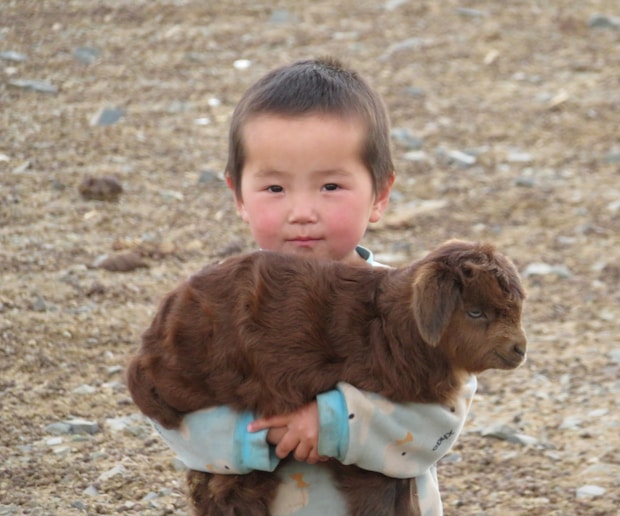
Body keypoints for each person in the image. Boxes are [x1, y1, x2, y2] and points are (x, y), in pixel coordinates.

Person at [151, 57, 477, 515]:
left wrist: (337, 424)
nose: (302, 211)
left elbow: (442, 412)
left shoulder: (409, 307)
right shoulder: (216, 307)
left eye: (329, 186)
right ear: (239, 196)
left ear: (380, 194)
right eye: (275, 189)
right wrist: (253, 436)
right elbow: (166, 394)